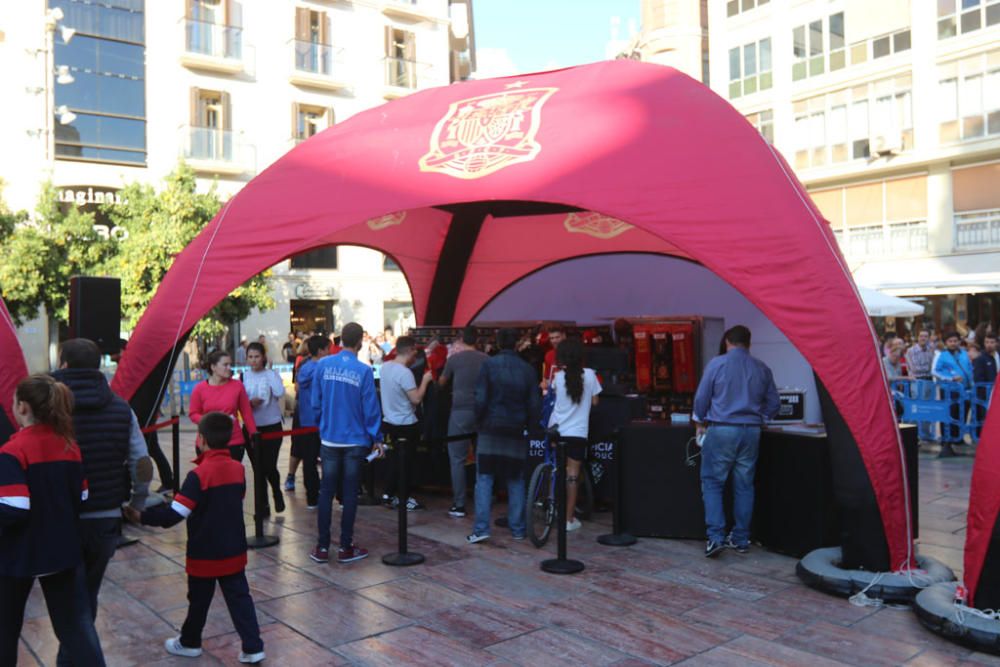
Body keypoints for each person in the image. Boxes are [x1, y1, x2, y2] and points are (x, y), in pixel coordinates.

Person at [124, 412, 264, 664]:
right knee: (240, 599)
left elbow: (174, 515)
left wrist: (140, 516)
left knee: (198, 602)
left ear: (201, 439)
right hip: (234, 551)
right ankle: (253, 647)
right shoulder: (238, 469)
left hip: (204, 554)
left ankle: (190, 642)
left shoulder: (198, 476)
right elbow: (236, 499)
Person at [51, 338, 152, 651]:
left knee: (68, 604)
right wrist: (137, 503)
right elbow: (141, 462)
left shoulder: (47, 409)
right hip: (105, 518)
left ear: (64, 365)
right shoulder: (121, 408)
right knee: (86, 597)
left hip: (59, 519)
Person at [0, 374, 106, 666]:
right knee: (75, 629)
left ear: (22, 407)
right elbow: (82, 497)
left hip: (17, 556)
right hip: (63, 551)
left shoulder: (12, 451)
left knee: (5, 631)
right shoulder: (69, 446)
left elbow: (15, 508)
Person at [692, 325, 780, 558]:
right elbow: (774, 404)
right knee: (744, 486)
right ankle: (741, 539)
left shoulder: (717, 364)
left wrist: (699, 420)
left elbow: (702, 398)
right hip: (751, 432)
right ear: (748, 344)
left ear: (727, 341)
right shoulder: (762, 367)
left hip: (722, 430)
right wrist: (761, 417)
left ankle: (716, 537)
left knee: (712, 483)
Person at [309, 322, 384, 564]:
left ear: (339, 340)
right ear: (360, 342)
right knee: (350, 493)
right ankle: (345, 547)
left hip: (329, 440)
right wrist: (377, 438)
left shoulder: (322, 365)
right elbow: (370, 409)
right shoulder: (363, 371)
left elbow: (315, 403)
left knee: (326, 492)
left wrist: (324, 425)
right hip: (355, 441)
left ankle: (322, 547)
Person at [468, 328, 542, 543]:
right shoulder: (527, 369)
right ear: (517, 344)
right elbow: (534, 403)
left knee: (484, 478)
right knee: (516, 479)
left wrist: (479, 421)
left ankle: (481, 528)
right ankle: (518, 528)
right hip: (516, 428)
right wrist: (531, 426)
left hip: (490, 426)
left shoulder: (488, 365)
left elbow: (481, 397)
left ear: (498, 344)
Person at [547, 337, 602, 531]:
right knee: (572, 476)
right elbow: (595, 402)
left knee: (557, 470)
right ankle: (568, 519)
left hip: (557, 431)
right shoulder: (589, 375)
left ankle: (551, 507)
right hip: (577, 433)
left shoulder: (557, 378)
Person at [379, 336, 434, 511]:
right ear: (410, 350)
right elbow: (416, 399)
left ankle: (389, 494)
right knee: (406, 463)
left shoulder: (385, 368)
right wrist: (425, 381)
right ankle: (404, 497)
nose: (415, 356)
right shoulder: (405, 373)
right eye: (415, 352)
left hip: (389, 422)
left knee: (393, 460)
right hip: (406, 424)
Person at [439, 327, 487, 517]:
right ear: (477, 340)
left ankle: (459, 504)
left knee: (457, 458)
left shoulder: (454, 360)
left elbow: (442, 382)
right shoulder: (486, 359)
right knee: (482, 457)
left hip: (460, 411)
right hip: (483, 411)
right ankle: (484, 500)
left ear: (460, 339)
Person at [189, 350, 257, 462]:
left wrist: (253, 435)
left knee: (233, 477)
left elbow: (246, 413)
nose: (229, 367)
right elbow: (193, 414)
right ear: (213, 367)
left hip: (233, 441)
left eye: (230, 364)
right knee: (209, 478)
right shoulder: (199, 389)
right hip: (207, 443)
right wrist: (212, 421)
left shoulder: (237, 386)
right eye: (225, 364)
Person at [242, 342, 286, 515]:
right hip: (252, 427)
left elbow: (279, 392)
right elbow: (239, 400)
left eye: (257, 356)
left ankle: (276, 491)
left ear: (263, 357)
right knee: (257, 468)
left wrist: (270, 374)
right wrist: (249, 403)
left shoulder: (271, 374)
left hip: (272, 425)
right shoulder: (243, 376)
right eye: (250, 357)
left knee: (269, 465)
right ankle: (263, 505)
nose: (253, 361)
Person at [291, 335, 330, 508]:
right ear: (321, 350)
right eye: (328, 349)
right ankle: (323, 495)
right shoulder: (324, 368)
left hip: (308, 421)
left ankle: (312, 497)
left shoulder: (305, 368)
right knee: (327, 460)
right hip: (321, 421)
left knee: (310, 461)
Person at [933, 330, 973, 457]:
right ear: (946, 343)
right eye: (950, 341)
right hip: (949, 390)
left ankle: (958, 438)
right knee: (949, 414)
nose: (953, 343)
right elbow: (935, 371)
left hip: (965, 389)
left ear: (959, 342)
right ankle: (946, 440)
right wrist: (950, 378)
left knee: (963, 413)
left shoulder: (964, 354)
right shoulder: (942, 355)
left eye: (955, 341)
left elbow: (970, 369)